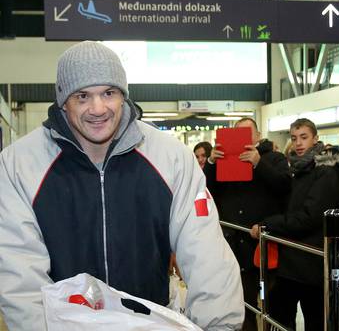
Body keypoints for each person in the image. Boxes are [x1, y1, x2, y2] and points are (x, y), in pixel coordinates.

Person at [0, 41, 244, 330]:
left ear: (123, 96)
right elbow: (19, 273)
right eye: (82, 96)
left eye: (108, 93)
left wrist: (219, 326)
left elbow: (207, 254)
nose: (98, 108)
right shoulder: (19, 164)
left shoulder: (171, 158)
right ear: (63, 101)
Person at [249, 118, 339, 331]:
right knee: (280, 316)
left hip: (312, 262)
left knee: (314, 320)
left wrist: (269, 224)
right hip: (292, 259)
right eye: (294, 138)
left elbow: (309, 217)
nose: (298, 143)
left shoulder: (325, 172)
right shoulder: (298, 169)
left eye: (304, 137)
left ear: (315, 139)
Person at [203, 117, 291, 331]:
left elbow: (284, 187)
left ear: (258, 136)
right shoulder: (223, 161)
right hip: (233, 245)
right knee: (241, 305)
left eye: (248, 133)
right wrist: (212, 164)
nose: (242, 138)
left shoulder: (275, 158)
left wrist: (259, 164)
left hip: (262, 245)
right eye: (237, 133)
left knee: (271, 305)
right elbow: (207, 191)